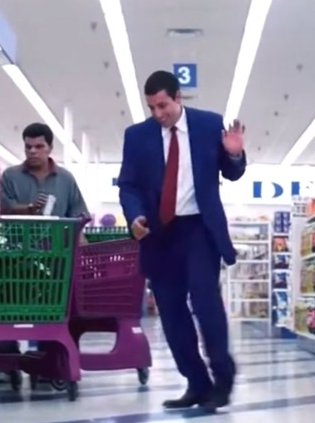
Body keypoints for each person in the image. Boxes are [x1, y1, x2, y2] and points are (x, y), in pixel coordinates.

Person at [116, 70, 246, 412]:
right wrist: (134, 217)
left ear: (178, 98)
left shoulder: (208, 125)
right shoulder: (137, 136)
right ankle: (197, 383)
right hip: (158, 233)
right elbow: (128, 185)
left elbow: (232, 172)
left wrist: (234, 154)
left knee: (205, 302)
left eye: (163, 106)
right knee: (171, 313)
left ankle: (222, 377)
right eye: (152, 108)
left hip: (199, 230)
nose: (158, 114)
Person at [0, 122, 90, 385]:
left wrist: (83, 250)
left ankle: (48, 361)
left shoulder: (66, 179)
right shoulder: (10, 176)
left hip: (56, 258)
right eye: (28, 147)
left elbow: (78, 215)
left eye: (39, 146)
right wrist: (29, 209)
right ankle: (8, 361)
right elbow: (4, 209)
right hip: (16, 256)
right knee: (5, 305)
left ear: (49, 148)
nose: (33, 151)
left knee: (53, 309)